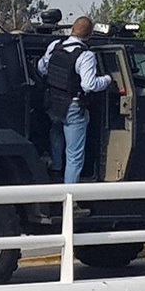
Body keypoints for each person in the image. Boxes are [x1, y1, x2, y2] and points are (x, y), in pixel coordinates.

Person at [36, 16, 113, 184]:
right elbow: (89, 85)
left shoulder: (54, 46)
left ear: (72, 29)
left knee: (56, 133)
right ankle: (71, 199)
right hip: (72, 106)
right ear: (90, 34)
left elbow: (42, 68)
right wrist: (107, 80)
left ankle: (56, 169)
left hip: (53, 103)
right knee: (74, 156)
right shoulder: (85, 56)